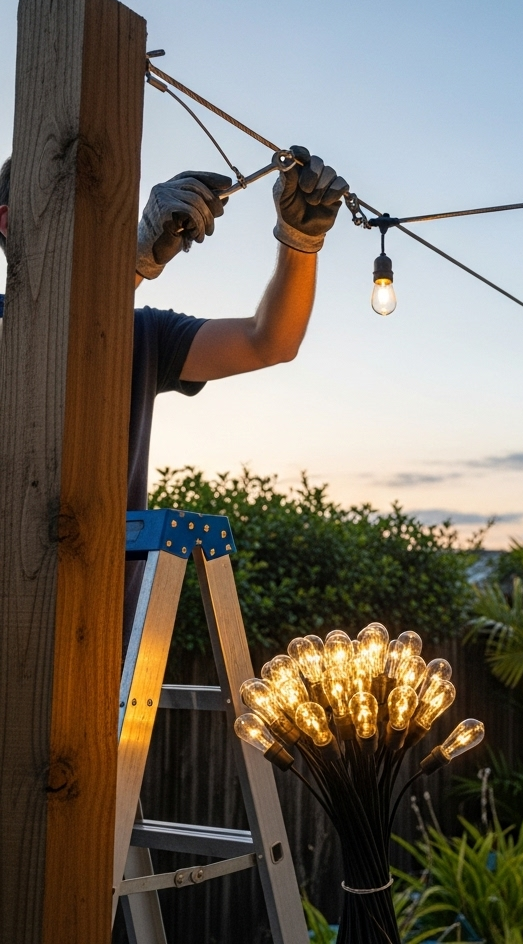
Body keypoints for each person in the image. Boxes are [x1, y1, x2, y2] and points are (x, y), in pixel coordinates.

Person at [0, 147, 349, 647]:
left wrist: (300, 240)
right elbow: (51, 339)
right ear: (10, 224)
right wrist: (134, 260)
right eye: (68, 205)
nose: (91, 223)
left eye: (99, 207)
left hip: (99, 647)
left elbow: (269, 340)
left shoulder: (142, 332)